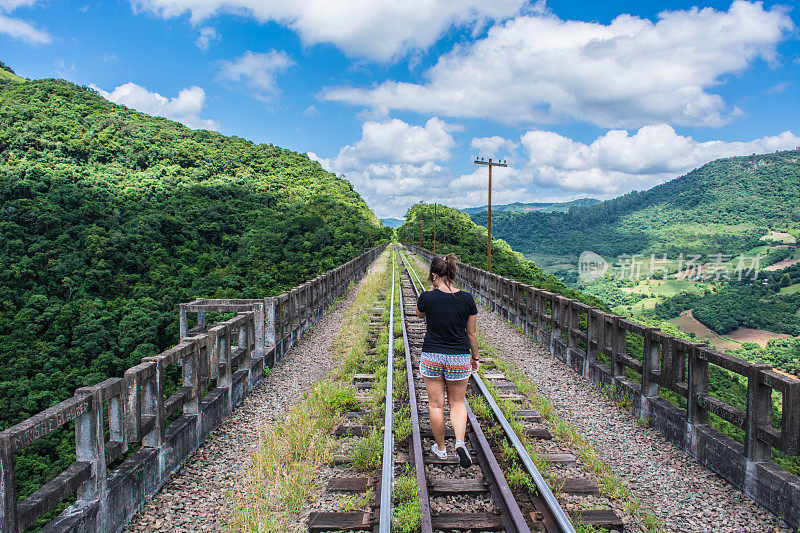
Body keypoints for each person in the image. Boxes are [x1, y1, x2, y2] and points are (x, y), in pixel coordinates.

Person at [416, 253, 480, 468]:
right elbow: (472, 333)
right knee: (458, 403)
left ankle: (441, 449)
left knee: (436, 405)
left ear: (434, 275)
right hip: (459, 357)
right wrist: (476, 357)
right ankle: (460, 443)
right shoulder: (467, 299)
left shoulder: (427, 297)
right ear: (452, 273)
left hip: (432, 356)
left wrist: (433, 290)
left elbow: (419, 314)